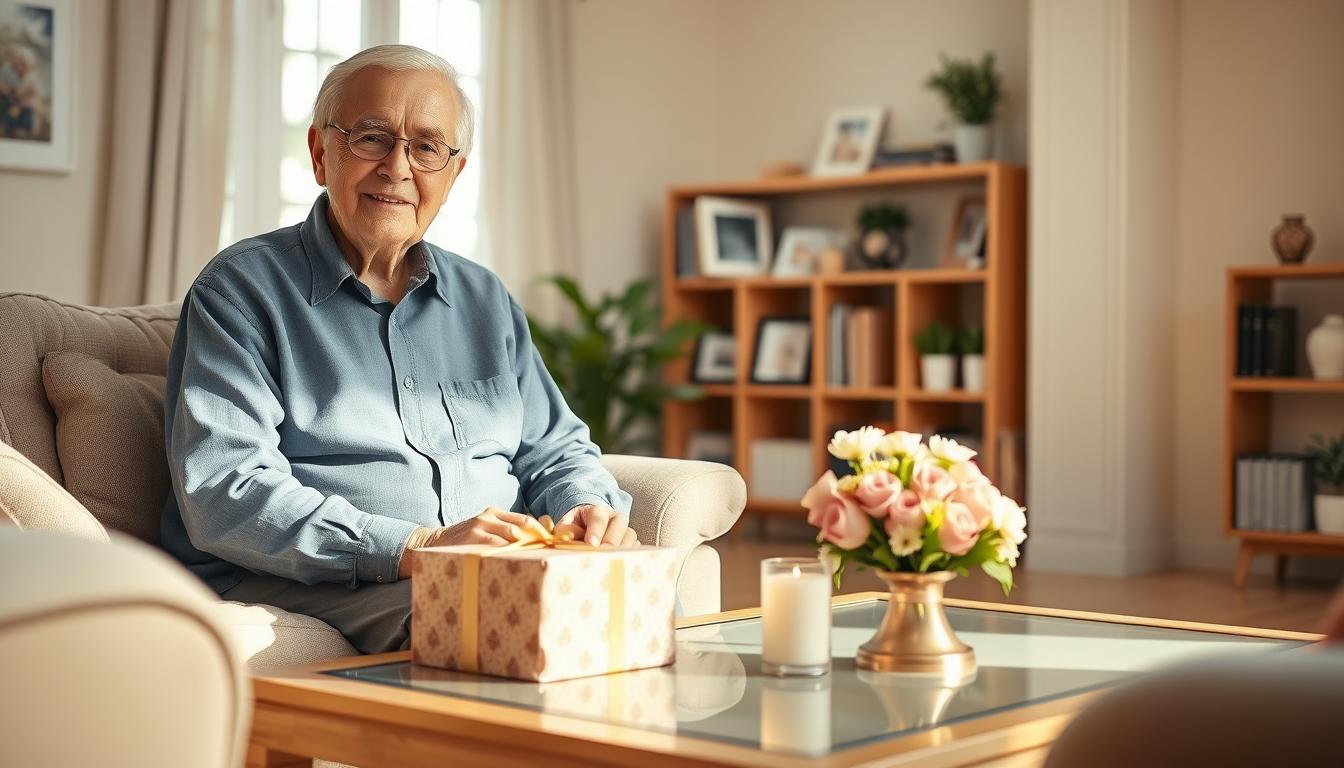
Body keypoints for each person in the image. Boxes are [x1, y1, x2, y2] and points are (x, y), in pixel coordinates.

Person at [161, 45, 635, 654]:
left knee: (639, 604)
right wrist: (414, 548)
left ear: (454, 173)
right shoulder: (240, 291)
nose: (397, 167)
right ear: (318, 153)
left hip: (493, 568)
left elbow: (555, 449)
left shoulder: (483, 298)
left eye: (427, 147)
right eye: (370, 138)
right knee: (498, 622)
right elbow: (224, 489)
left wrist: (585, 509)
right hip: (315, 577)